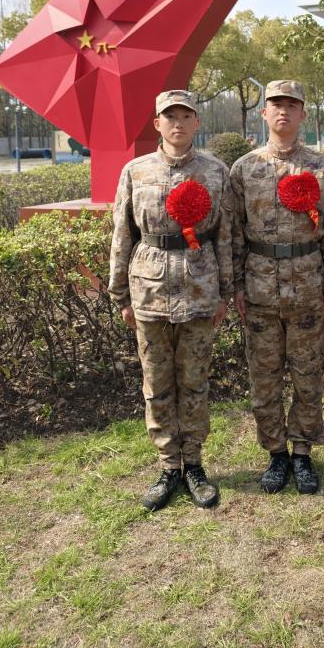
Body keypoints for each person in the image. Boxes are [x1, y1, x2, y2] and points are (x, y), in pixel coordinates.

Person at [109, 90, 234, 511]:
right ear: (157, 124)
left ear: (196, 123)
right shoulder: (135, 171)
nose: (178, 123)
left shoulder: (215, 171)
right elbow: (123, 233)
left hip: (199, 288)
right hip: (150, 290)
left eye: (185, 116)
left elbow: (224, 235)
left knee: (194, 381)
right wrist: (121, 294)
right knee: (157, 383)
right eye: (170, 116)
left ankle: (194, 464)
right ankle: (168, 466)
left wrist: (225, 291)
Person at [230, 80, 324, 495]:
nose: (283, 111)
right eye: (276, 104)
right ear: (264, 113)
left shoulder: (320, 167)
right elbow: (235, 233)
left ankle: (302, 452)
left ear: (303, 115)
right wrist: (237, 284)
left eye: (292, 105)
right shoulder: (243, 169)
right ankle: (276, 453)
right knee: (265, 378)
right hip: (259, 287)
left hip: (307, 283)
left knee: (308, 375)